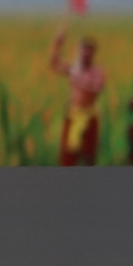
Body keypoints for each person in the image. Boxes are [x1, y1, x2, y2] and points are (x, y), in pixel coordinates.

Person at [47, 30, 104, 167]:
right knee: (68, 155)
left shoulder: (97, 72)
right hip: (73, 115)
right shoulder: (73, 68)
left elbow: (97, 88)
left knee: (89, 156)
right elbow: (54, 65)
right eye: (83, 50)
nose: (86, 54)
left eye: (89, 51)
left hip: (89, 116)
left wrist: (79, 79)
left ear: (93, 53)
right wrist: (57, 44)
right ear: (79, 51)